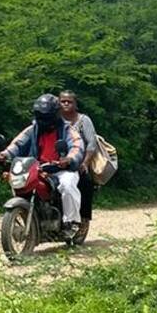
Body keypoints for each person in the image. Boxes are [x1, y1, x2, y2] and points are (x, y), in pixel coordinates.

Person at [0, 94, 85, 238]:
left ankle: (71, 222)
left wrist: (68, 159)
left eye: (46, 116)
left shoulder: (68, 130)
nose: (43, 119)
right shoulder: (33, 129)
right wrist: (5, 154)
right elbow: (18, 143)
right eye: (40, 115)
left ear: (55, 114)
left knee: (68, 185)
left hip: (61, 169)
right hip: (37, 168)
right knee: (20, 184)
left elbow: (76, 146)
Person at [58, 90, 98, 241]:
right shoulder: (55, 121)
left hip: (78, 162)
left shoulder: (83, 120)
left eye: (69, 101)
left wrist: (85, 162)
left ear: (75, 104)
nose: (66, 104)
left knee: (86, 183)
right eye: (63, 101)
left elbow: (91, 143)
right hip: (57, 162)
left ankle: (83, 220)